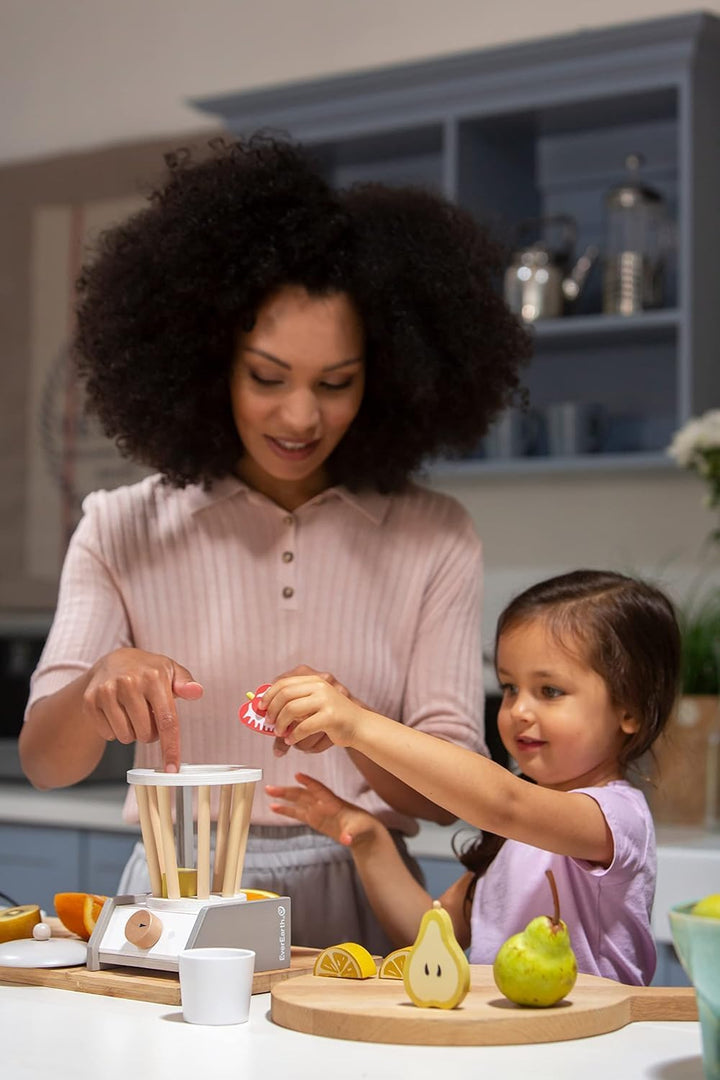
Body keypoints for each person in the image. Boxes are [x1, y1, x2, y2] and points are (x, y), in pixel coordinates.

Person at [19, 135, 531, 952]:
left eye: (337, 383)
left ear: (389, 373)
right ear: (207, 360)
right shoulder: (120, 524)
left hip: (366, 894)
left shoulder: (434, 536)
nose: (301, 418)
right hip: (172, 897)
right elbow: (46, 762)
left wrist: (357, 728)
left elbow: (447, 796)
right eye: (267, 376)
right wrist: (95, 691)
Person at [264, 569, 681, 983]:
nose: (518, 710)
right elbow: (423, 931)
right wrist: (369, 837)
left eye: (549, 691)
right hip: (504, 1044)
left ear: (630, 711)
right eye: (509, 688)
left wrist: (358, 725)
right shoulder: (512, 840)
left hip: (593, 1043)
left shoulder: (616, 819)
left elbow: (506, 804)